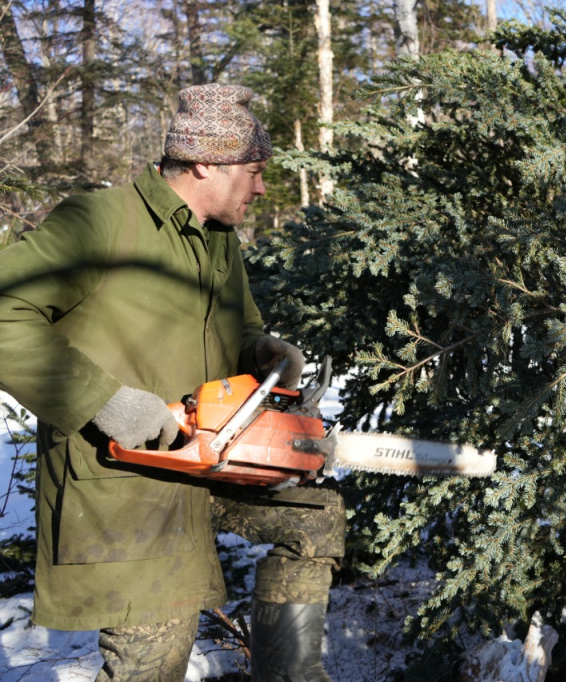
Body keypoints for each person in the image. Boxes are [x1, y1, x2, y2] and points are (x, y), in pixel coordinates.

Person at [0, 84, 344, 681]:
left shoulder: (217, 239)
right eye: (255, 170)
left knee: (311, 516)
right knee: (151, 667)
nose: (262, 187)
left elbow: (241, 328)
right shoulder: (100, 223)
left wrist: (261, 351)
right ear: (204, 162)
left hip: (211, 457)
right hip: (126, 486)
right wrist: (103, 402)